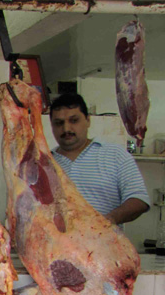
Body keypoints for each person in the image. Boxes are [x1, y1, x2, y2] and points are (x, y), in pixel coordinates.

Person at [49, 93, 150, 224]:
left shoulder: (115, 155)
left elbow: (139, 199)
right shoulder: (43, 163)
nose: (66, 128)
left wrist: (107, 221)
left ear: (88, 120)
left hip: (104, 236)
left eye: (74, 120)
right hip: (54, 237)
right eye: (59, 123)